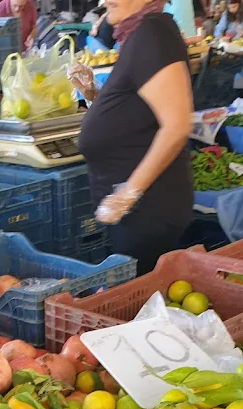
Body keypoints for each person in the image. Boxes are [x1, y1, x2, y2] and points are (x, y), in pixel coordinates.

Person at [69, 0, 193, 273]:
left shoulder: (153, 33)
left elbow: (177, 125)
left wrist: (128, 194)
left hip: (148, 212)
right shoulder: (137, 33)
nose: (103, 1)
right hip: (136, 214)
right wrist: (94, 96)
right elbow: (136, 113)